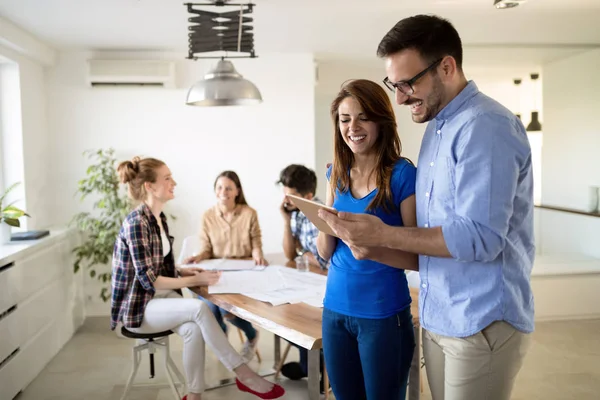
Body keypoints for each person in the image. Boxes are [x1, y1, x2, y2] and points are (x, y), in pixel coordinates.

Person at [318, 15, 535, 400]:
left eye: (407, 83)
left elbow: (480, 238)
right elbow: (429, 240)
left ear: (446, 67)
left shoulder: (485, 126)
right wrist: (369, 245)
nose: (400, 97)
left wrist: (381, 234)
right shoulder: (438, 129)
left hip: (480, 319)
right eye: (394, 85)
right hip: (441, 315)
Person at [110, 157, 284, 400]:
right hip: (138, 308)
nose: (174, 182)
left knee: (193, 329)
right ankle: (244, 374)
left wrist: (185, 272)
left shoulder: (158, 219)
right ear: (149, 186)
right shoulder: (137, 223)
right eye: (167, 178)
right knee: (200, 308)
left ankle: (194, 396)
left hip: (159, 301)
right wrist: (191, 281)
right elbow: (150, 280)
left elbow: (161, 267)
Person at [316, 79, 419, 400]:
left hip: (383, 315)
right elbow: (324, 251)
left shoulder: (402, 175)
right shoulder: (337, 173)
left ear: (381, 119)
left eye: (363, 117)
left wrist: (372, 250)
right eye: (345, 120)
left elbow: (418, 257)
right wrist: (324, 216)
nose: (353, 128)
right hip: (334, 310)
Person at [185, 170, 266, 363]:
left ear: (237, 191)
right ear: (215, 191)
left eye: (229, 188)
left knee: (225, 310)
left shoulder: (249, 213)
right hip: (218, 271)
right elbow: (206, 248)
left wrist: (258, 255)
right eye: (219, 187)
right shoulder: (207, 216)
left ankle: (252, 335)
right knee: (209, 307)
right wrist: (197, 257)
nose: (224, 191)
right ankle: (225, 349)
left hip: (242, 271)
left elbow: (256, 242)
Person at [276, 164, 327, 387]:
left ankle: (317, 366)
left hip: (326, 283)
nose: (286, 199)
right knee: (280, 315)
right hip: (309, 279)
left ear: (308, 196)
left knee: (299, 319)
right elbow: (290, 252)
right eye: (284, 192)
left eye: (291, 195)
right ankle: (311, 365)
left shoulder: (319, 214)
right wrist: (286, 220)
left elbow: (326, 261)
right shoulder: (295, 212)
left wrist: (304, 253)